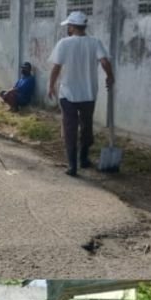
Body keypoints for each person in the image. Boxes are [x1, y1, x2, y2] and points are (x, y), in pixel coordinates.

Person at [48, 10, 115, 176]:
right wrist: (110, 77)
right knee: (86, 126)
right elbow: (105, 61)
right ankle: (84, 159)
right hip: (88, 93)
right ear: (83, 27)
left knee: (70, 127)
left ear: (71, 27)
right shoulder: (95, 42)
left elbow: (56, 67)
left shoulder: (64, 43)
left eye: (68, 26)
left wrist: (51, 86)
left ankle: (72, 166)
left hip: (68, 93)